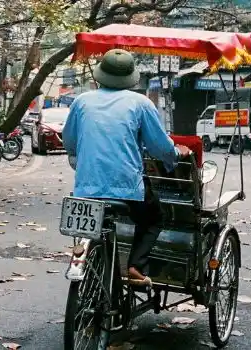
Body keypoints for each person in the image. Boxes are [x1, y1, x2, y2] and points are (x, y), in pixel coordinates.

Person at [62, 49, 191, 285]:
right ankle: (135, 266)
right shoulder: (140, 103)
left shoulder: (81, 101)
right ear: (130, 77)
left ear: (101, 74)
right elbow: (160, 148)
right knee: (153, 218)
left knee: (95, 228)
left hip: (85, 188)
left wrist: (78, 160)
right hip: (127, 189)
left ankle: (89, 258)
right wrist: (175, 154)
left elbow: (69, 141)